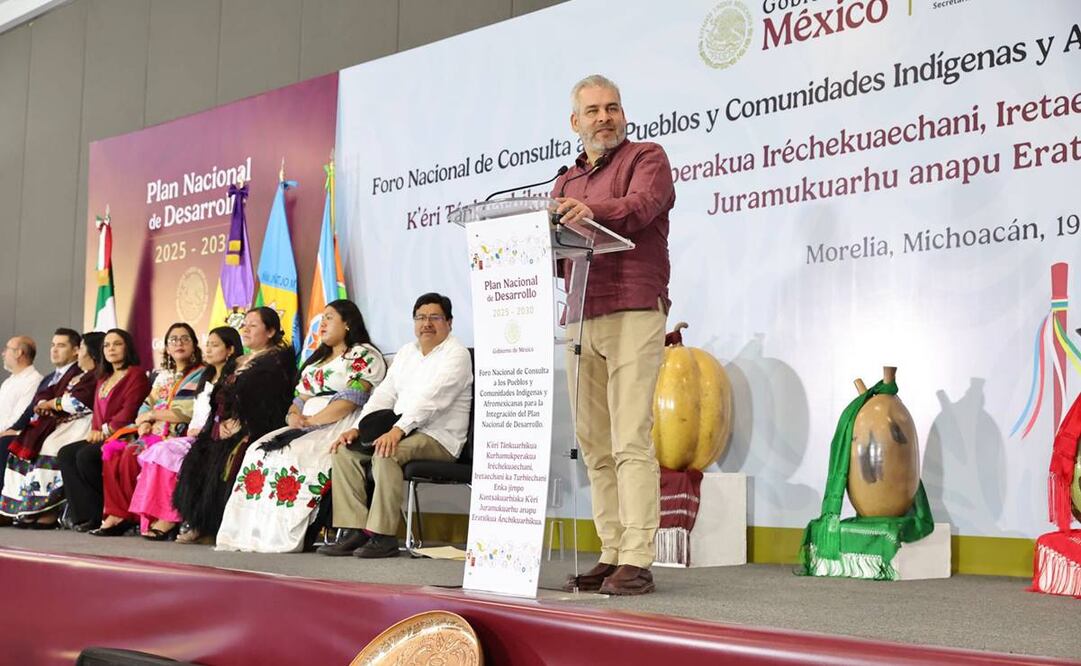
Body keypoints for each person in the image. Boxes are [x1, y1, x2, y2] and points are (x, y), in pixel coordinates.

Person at [551, 75, 675, 596]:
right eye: (593, 110)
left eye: (613, 108)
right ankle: (611, 550)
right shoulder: (563, 183)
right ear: (574, 123)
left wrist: (591, 213)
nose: (605, 118)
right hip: (580, 314)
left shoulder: (647, 157)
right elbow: (557, 255)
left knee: (630, 439)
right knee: (594, 445)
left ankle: (639, 557)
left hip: (632, 308)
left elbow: (643, 207)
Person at [216, 300, 386, 553]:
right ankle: (254, 532)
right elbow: (298, 399)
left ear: (348, 323)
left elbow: (354, 398)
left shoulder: (363, 354)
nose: (323, 324)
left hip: (340, 422)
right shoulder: (317, 360)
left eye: (329, 317)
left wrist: (314, 421)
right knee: (258, 450)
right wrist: (294, 417)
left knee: (295, 455)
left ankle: (291, 532)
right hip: (306, 424)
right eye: (322, 318)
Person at [318, 293, 471, 559]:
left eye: (434, 317)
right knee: (344, 452)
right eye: (421, 318)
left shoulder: (456, 354)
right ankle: (355, 529)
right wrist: (358, 428)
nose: (427, 323)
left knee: (386, 452)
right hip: (399, 431)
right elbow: (384, 394)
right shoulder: (406, 353)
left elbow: (432, 400)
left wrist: (398, 431)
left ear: (449, 322)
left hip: (438, 438)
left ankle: (383, 535)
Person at [171, 308, 295, 544]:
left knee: (229, 459)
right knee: (199, 455)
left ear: (270, 331)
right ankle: (200, 523)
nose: (245, 330)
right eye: (244, 325)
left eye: (253, 325)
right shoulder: (237, 361)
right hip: (222, 424)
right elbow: (218, 397)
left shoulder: (276, 362)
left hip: (256, 427)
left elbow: (270, 402)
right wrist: (219, 422)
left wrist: (242, 424)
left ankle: (222, 525)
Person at [91, 323, 206, 538]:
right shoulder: (164, 376)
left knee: (129, 454)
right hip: (152, 431)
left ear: (194, 345)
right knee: (112, 453)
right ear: (167, 348)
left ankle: (134, 515)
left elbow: (186, 412)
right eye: (173, 340)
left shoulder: (200, 374)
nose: (178, 343)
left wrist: (152, 416)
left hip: (177, 433)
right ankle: (118, 513)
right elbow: (147, 403)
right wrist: (143, 421)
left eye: (184, 339)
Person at [130, 326, 242, 542]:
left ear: (230, 350)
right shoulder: (207, 376)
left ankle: (170, 517)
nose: (208, 349)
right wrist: (145, 419)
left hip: (213, 435)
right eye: (207, 344)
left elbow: (218, 413)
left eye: (215, 345)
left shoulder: (232, 378)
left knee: (166, 452)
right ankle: (154, 515)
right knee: (157, 452)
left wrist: (203, 428)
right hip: (194, 434)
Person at [0, 331, 101, 526]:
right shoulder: (78, 376)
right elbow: (46, 395)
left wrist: (51, 404)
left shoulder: (92, 376)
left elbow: (79, 401)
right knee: (23, 449)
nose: (54, 349)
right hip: (63, 424)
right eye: (53, 344)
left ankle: (46, 512)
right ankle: (17, 509)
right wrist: (47, 402)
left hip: (81, 425)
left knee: (49, 448)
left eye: (80, 349)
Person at [56, 329, 150, 533]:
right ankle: (87, 515)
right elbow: (98, 412)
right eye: (107, 345)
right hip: (102, 436)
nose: (111, 349)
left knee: (86, 456)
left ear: (127, 347)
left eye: (117, 344)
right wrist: (96, 429)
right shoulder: (103, 377)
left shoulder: (136, 374)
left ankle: (108, 513)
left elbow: (129, 410)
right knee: (66, 454)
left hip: (124, 435)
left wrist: (104, 430)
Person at [0, 336, 44, 498]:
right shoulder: (9, 382)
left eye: (7, 349)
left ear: (19, 353)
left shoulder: (33, 381)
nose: (3, 353)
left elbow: (19, 418)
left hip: (16, 435)